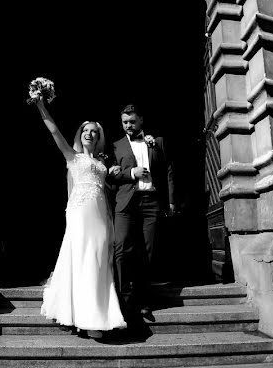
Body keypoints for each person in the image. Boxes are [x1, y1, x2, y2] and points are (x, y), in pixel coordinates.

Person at [34, 97, 127, 339]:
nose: (90, 134)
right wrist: (40, 105)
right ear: (80, 134)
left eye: (94, 132)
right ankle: (86, 318)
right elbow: (53, 129)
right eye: (86, 130)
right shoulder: (72, 157)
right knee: (81, 258)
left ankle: (96, 313)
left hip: (100, 215)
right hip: (79, 213)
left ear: (99, 138)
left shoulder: (102, 162)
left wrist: (114, 174)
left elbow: (106, 188)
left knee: (98, 259)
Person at [108, 104, 175, 322]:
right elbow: (109, 176)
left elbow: (168, 172)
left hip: (151, 202)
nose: (128, 125)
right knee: (121, 249)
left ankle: (144, 301)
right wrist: (130, 173)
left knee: (148, 252)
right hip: (126, 204)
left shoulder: (157, 142)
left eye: (132, 122)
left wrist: (171, 202)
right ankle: (125, 301)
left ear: (141, 121)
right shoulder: (115, 146)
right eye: (125, 122)